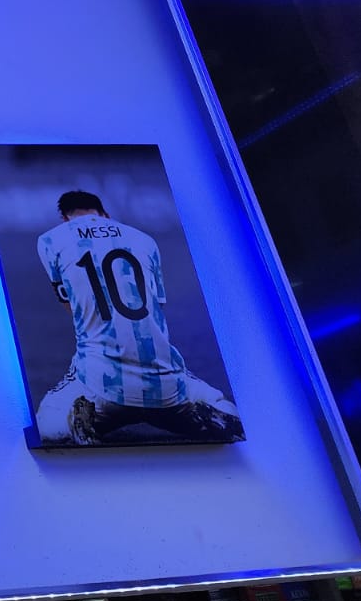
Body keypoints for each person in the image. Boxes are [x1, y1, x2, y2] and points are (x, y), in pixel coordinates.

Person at [36, 190, 244, 445]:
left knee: (45, 420)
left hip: (101, 384)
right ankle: (214, 415)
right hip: (166, 384)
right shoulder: (143, 239)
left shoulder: (51, 240)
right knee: (217, 402)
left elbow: (72, 309)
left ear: (64, 218)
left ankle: (73, 421)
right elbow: (156, 308)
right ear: (105, 214)